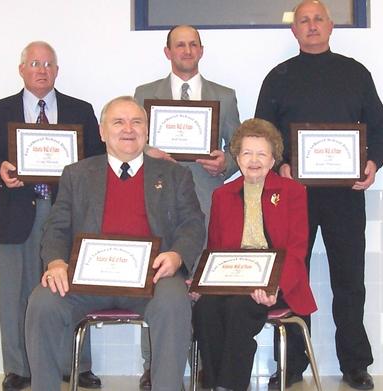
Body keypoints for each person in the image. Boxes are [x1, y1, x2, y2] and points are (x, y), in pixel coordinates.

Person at [24, 96, 206, 391]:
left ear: (147, 130)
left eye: (137, 122)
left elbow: (193, 224)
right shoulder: (77, 174)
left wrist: (177, 255)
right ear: (102, 131)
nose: (128, 129)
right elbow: (56, 227)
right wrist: (56, 262)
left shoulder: (175, 174)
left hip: (153, 278)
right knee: (42, 301)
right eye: (118, 122)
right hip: (87, 281)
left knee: (174, 301)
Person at [255, 1, 383, 389]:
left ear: (331, 27)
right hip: (293, 196)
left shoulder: (356, 73)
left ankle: (355, 365)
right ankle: (292, 363)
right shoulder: (278, 77)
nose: (312, 26)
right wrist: (280, 164)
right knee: (292, 277)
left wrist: (372, 164)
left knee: (349, 280)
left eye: (318, 19)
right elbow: (263, 132)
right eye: (304, 21)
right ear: (293, 30)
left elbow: (380, 127)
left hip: (345, 195)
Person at [0, 41, 105, 391]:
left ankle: (74, 364)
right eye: (34, 63)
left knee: (72, 288)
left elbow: (97, 158)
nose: (41, 69)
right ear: (22, 70)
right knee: (16, 294)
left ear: (57, 70)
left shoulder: (81, 109)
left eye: (48, 64)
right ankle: (18, 368)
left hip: (68, 213)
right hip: (15, 213)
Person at [134, 24, 241, 389]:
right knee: (158, 285)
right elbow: (132, 145)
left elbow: (240, 149)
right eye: (179, 45)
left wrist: (225, 163)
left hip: (206, 202)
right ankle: (155, 368)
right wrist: (148, 152)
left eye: (192, 44)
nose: (186, 50)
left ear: (201, 50)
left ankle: (202, 367)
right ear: (168, 52)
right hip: (157, 204)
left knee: (201, 287)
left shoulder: (224, 96)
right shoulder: (144, 93)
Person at [192, 118, 317, 391]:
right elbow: (214, 248)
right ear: (237, 157)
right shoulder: (222, 195)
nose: (254, 160)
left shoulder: (293, 192)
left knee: (239, 308)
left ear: (273, 159)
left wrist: (276, 287)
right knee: (205, 309)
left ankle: (229, 386)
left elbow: (297, 249)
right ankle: (216, 384)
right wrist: (203, 283)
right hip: (233, 278)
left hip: (277, 280)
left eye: (262, 153)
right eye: (247, 153)